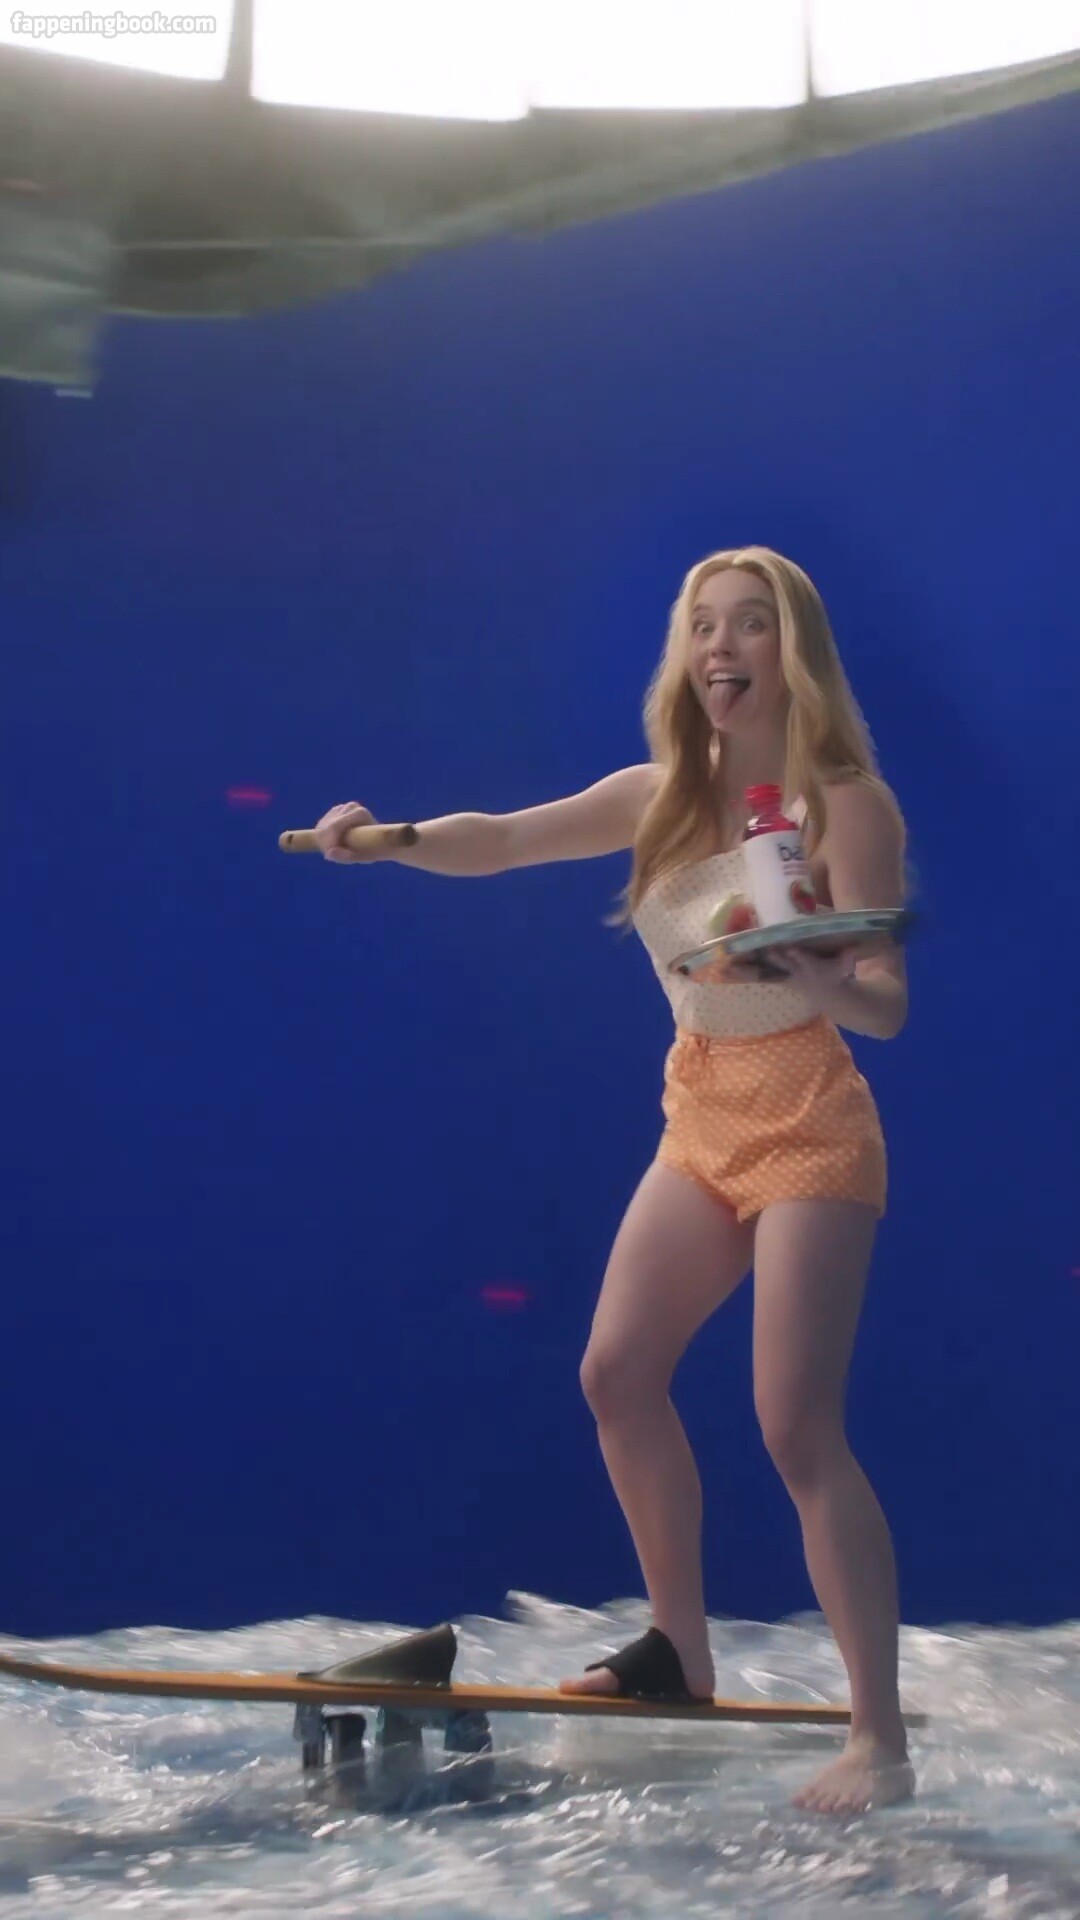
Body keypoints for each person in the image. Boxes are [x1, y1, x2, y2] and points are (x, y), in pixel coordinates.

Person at [312, 545, 914, 1815]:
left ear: (793, 654)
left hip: (809, 1119)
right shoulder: (658, 797)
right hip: (700, 1113)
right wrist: (387, 841)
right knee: (616, 1372)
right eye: (704, 626)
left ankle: (878, 1736)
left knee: (795, 1425)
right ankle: (678, 1658)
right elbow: (505, 840)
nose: (722, 647)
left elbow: (887, 1006)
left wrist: (812, 966)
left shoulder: (845, 804)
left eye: (750, 625)